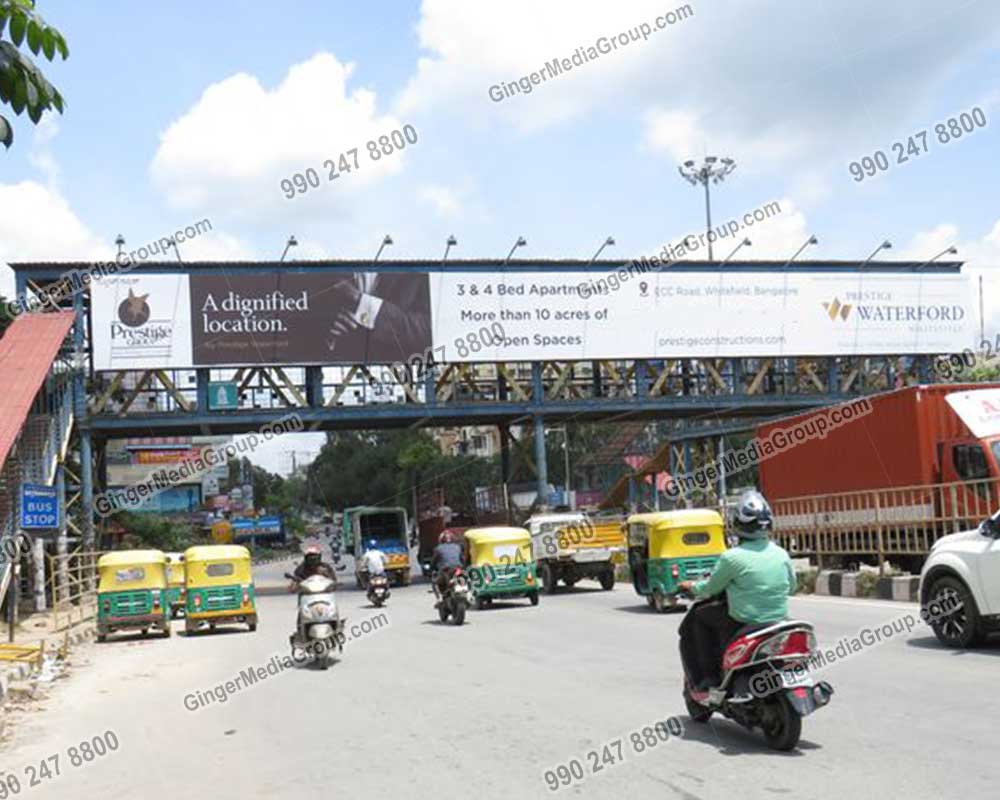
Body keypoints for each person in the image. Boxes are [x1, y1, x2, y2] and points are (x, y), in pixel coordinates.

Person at [676, 490, 797, 691]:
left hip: (744, 620)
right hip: (778, 619)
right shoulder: (781, 554)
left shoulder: (731, 558)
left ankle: (708, 678)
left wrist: (690, 586)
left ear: (738, 524)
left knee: (699, 617)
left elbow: (708, 589)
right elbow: (792, 586)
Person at [430, 530, 463, 599]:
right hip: (458, 569)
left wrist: (432, 568)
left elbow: (433, 562)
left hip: (446, 570)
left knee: (436, 582)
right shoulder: (457, 547)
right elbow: (462, 559)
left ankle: (440, 597)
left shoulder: (438, 548)